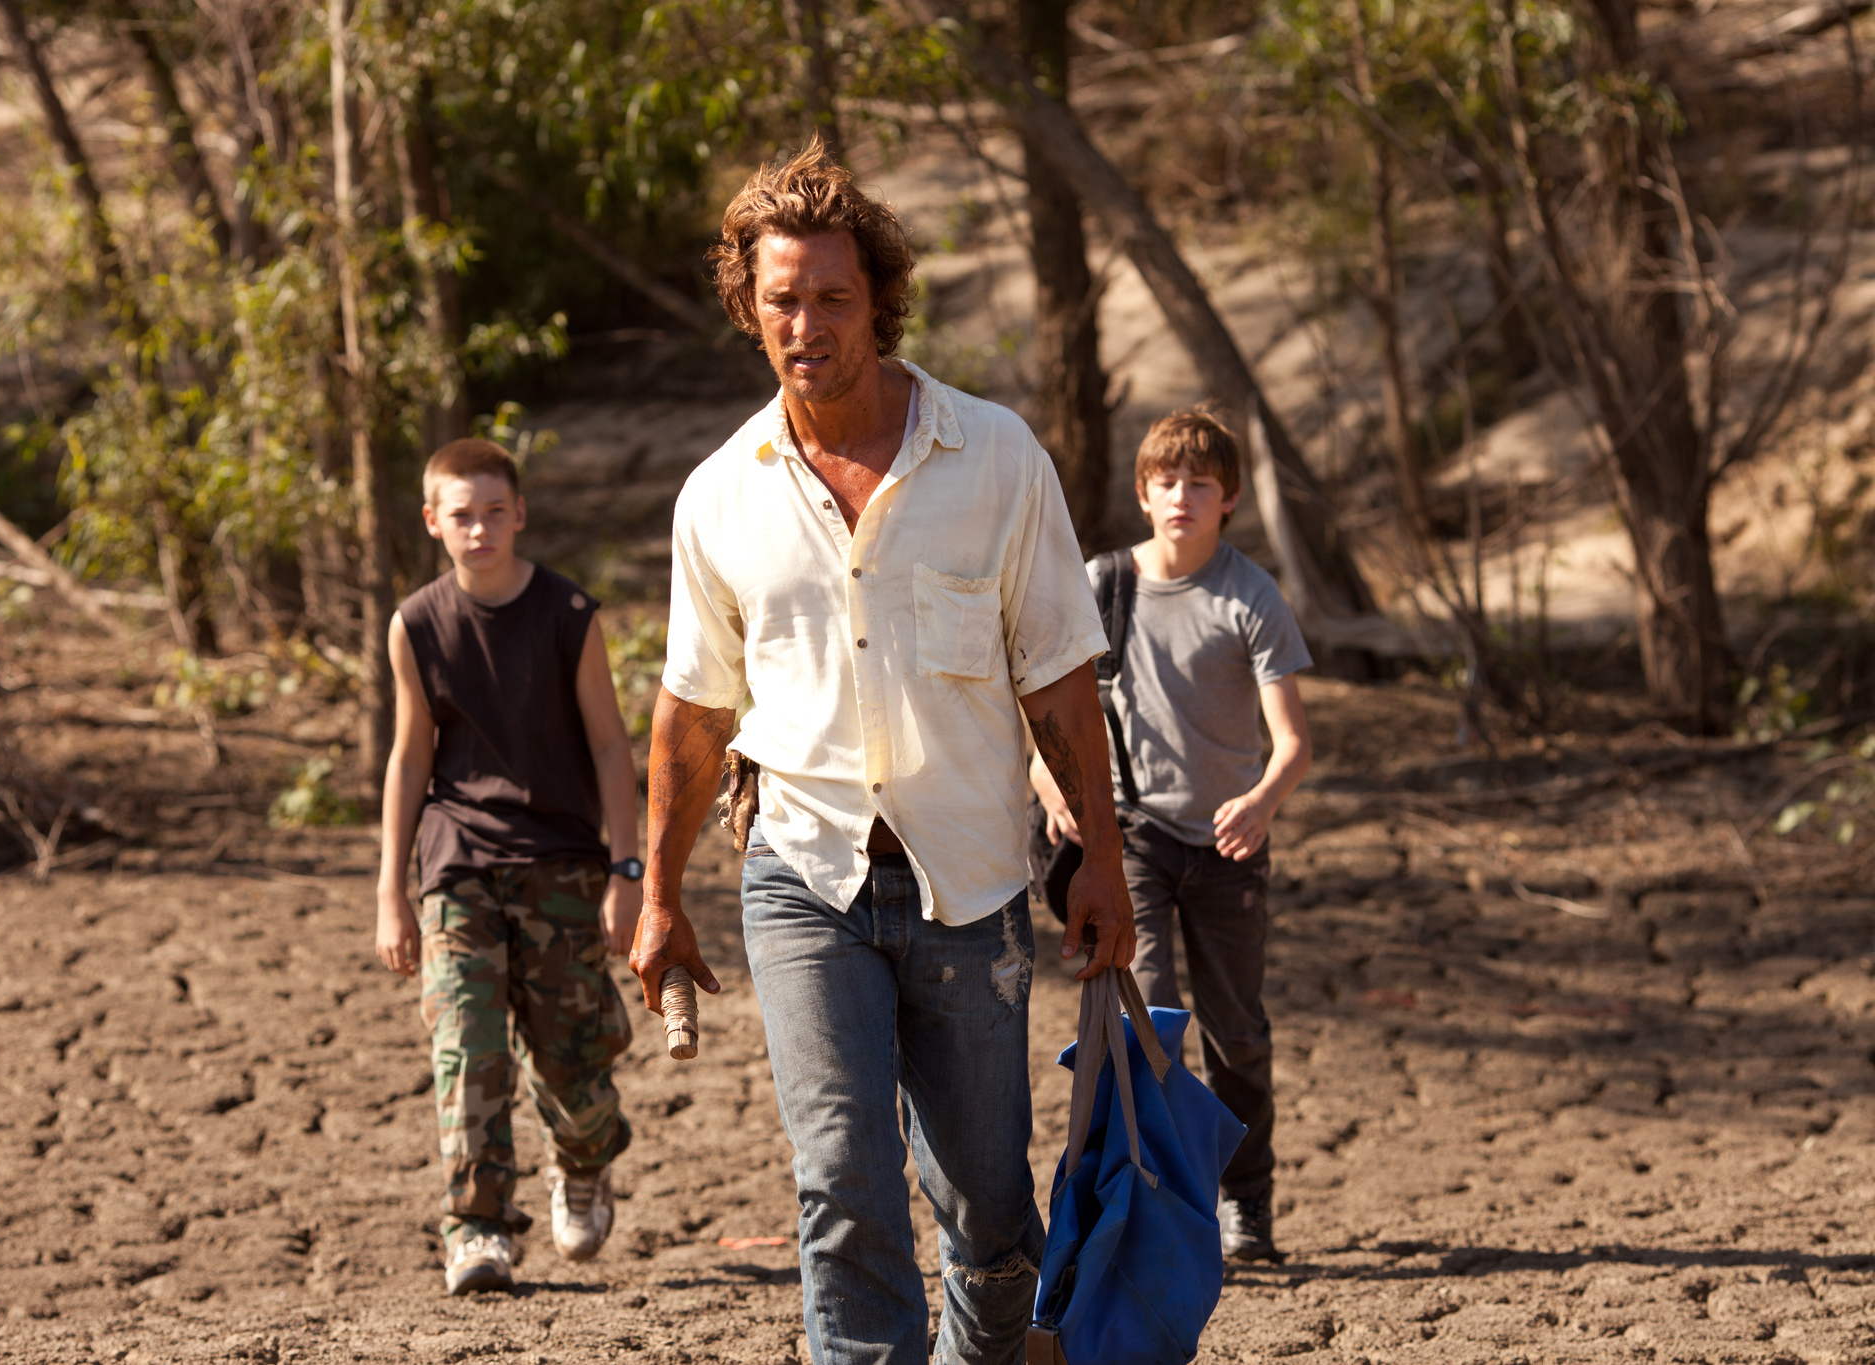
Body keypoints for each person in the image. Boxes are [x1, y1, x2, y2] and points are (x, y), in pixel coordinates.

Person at [630, 136, 1136, 1365]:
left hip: (969, 878)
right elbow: (694, 714)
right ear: (748, 310)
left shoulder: (996, 457)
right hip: (803, 877)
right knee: (843, 1179)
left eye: (831, 298)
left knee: (987, 1213)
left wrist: (1106, 865)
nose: (805, 324)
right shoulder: (720, 495)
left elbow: (1061, 685)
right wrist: (655, 893)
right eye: (780, 300)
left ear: (880, 300)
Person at [1029, 407, 1313, 1264]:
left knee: (1237, 1034)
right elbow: (1033, 706)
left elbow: (1293, 742)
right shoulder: (1100, 583)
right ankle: (1160, 1201)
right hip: (1134, 841)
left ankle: (1247, 1201)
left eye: (1200, 484)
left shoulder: (1251, 596)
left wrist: (1262, 800)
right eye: (1165, 481)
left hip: (1228, 850)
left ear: (1228, 498)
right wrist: (1050, 785)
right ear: (1143, 493)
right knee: (1145, 1021)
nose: (1180, 497)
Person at [373, 438, 646, 1295]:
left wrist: (626, 869)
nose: (480, 528)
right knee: (468, 1049)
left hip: (560, 862)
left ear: (519, 513)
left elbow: (609, 744)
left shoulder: (568, 613)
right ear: (433, 523)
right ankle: (478, 1229)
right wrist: (391, 890)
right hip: (455, 863)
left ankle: (586, 1155)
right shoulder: (416, 623)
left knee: (572, 1062)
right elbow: (411, 758)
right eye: (461, 514)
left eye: (495, 511)